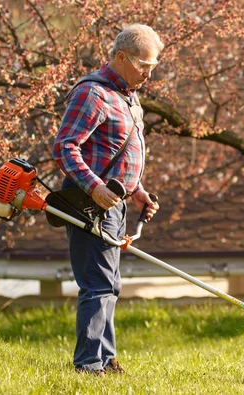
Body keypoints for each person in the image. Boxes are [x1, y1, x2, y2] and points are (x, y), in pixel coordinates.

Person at [53, 24, 163, 376]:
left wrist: (138, 190)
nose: (148, 73)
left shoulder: (129, 98)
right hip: (89, 204)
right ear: (120, 57)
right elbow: (64, 147)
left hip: (115, 205)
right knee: (98, 284)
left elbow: (120, 153)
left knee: (110, 284)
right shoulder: (93, 94)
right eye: (144, 65)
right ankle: (87, 364)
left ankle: (107, 358)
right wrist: (94, 187)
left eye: (153, 67)